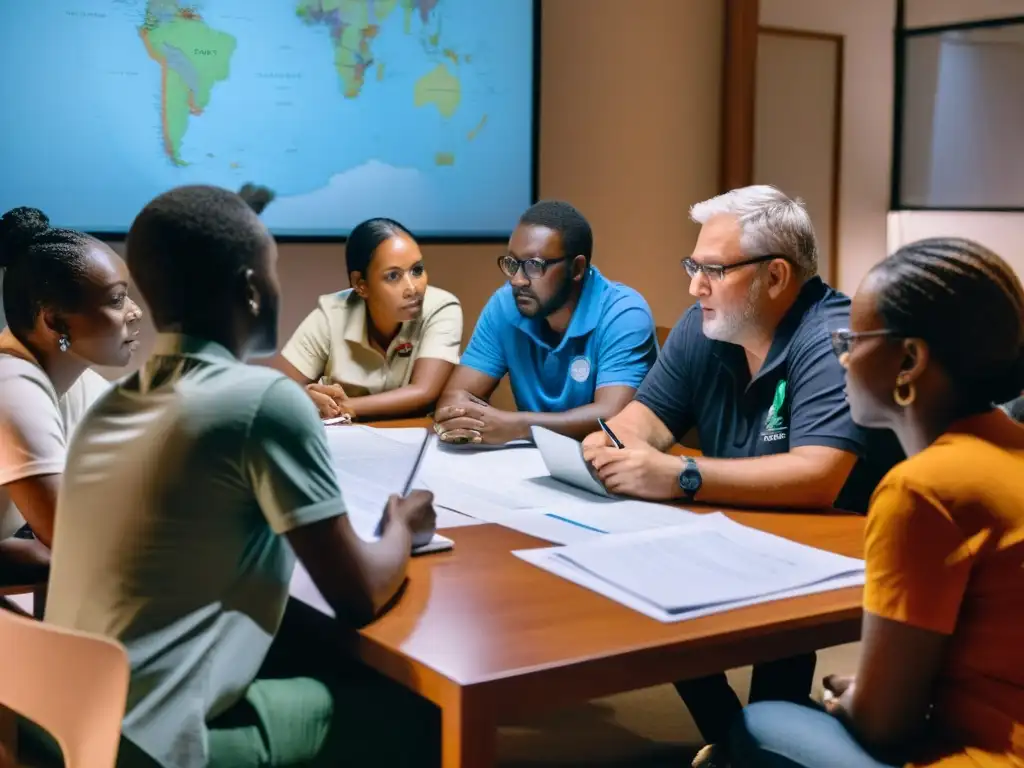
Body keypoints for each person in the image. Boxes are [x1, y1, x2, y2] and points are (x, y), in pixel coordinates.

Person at [44, 186, 440, 768]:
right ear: (253, 289)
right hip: (153, 749)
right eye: (274, 269)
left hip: (65, 725)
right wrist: (401, 524)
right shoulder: (264, 400)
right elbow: (358, 595)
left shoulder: (110, 406)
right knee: (418, 709)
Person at [581, 186, 903, 767]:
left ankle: (751, 743)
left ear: (775, 276)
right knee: (646, 580)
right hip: (742, 533)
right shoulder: (706, 327)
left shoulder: (829, 335)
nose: (694, 285)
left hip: (830, 554)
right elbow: (639, 422)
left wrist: (680, 476)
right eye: (693, 266)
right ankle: (737, 739)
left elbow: (819, 474)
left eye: (712, 270)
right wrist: (609, 445)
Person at [732, 237, 1024, 768]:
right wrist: (869, 689)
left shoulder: (923, 489)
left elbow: (886, 725)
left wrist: (855, 701)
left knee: (763, 721)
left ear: (909, 359)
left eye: (851, 339)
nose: (840, 358)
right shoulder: (1011, 451)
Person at [433, 200, 658, 445]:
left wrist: (518, 426)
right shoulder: (505, 305)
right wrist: (458, 416)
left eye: (533, 265)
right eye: (512, 263)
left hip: (607, 465)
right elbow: (456, 396)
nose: (517, 280)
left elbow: (613, 416)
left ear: (577, 268)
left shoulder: (623, 313)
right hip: (530, 464)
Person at [0, 206, 142, 590]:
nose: (136, 312)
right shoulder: (12, 387)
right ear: (55, 322)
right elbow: (77, 544)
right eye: (117, 300)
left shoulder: (70, 379)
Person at [280, 217, 462, 421]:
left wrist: (348, 406)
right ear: (360, 284)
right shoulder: (331, 314)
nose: (412, 288)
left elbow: (423, 391)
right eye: (393, 276)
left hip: (420, 438)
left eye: (417, 270)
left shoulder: (441, 307)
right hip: (349, 440)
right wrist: (308, 397)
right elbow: (279, 388)